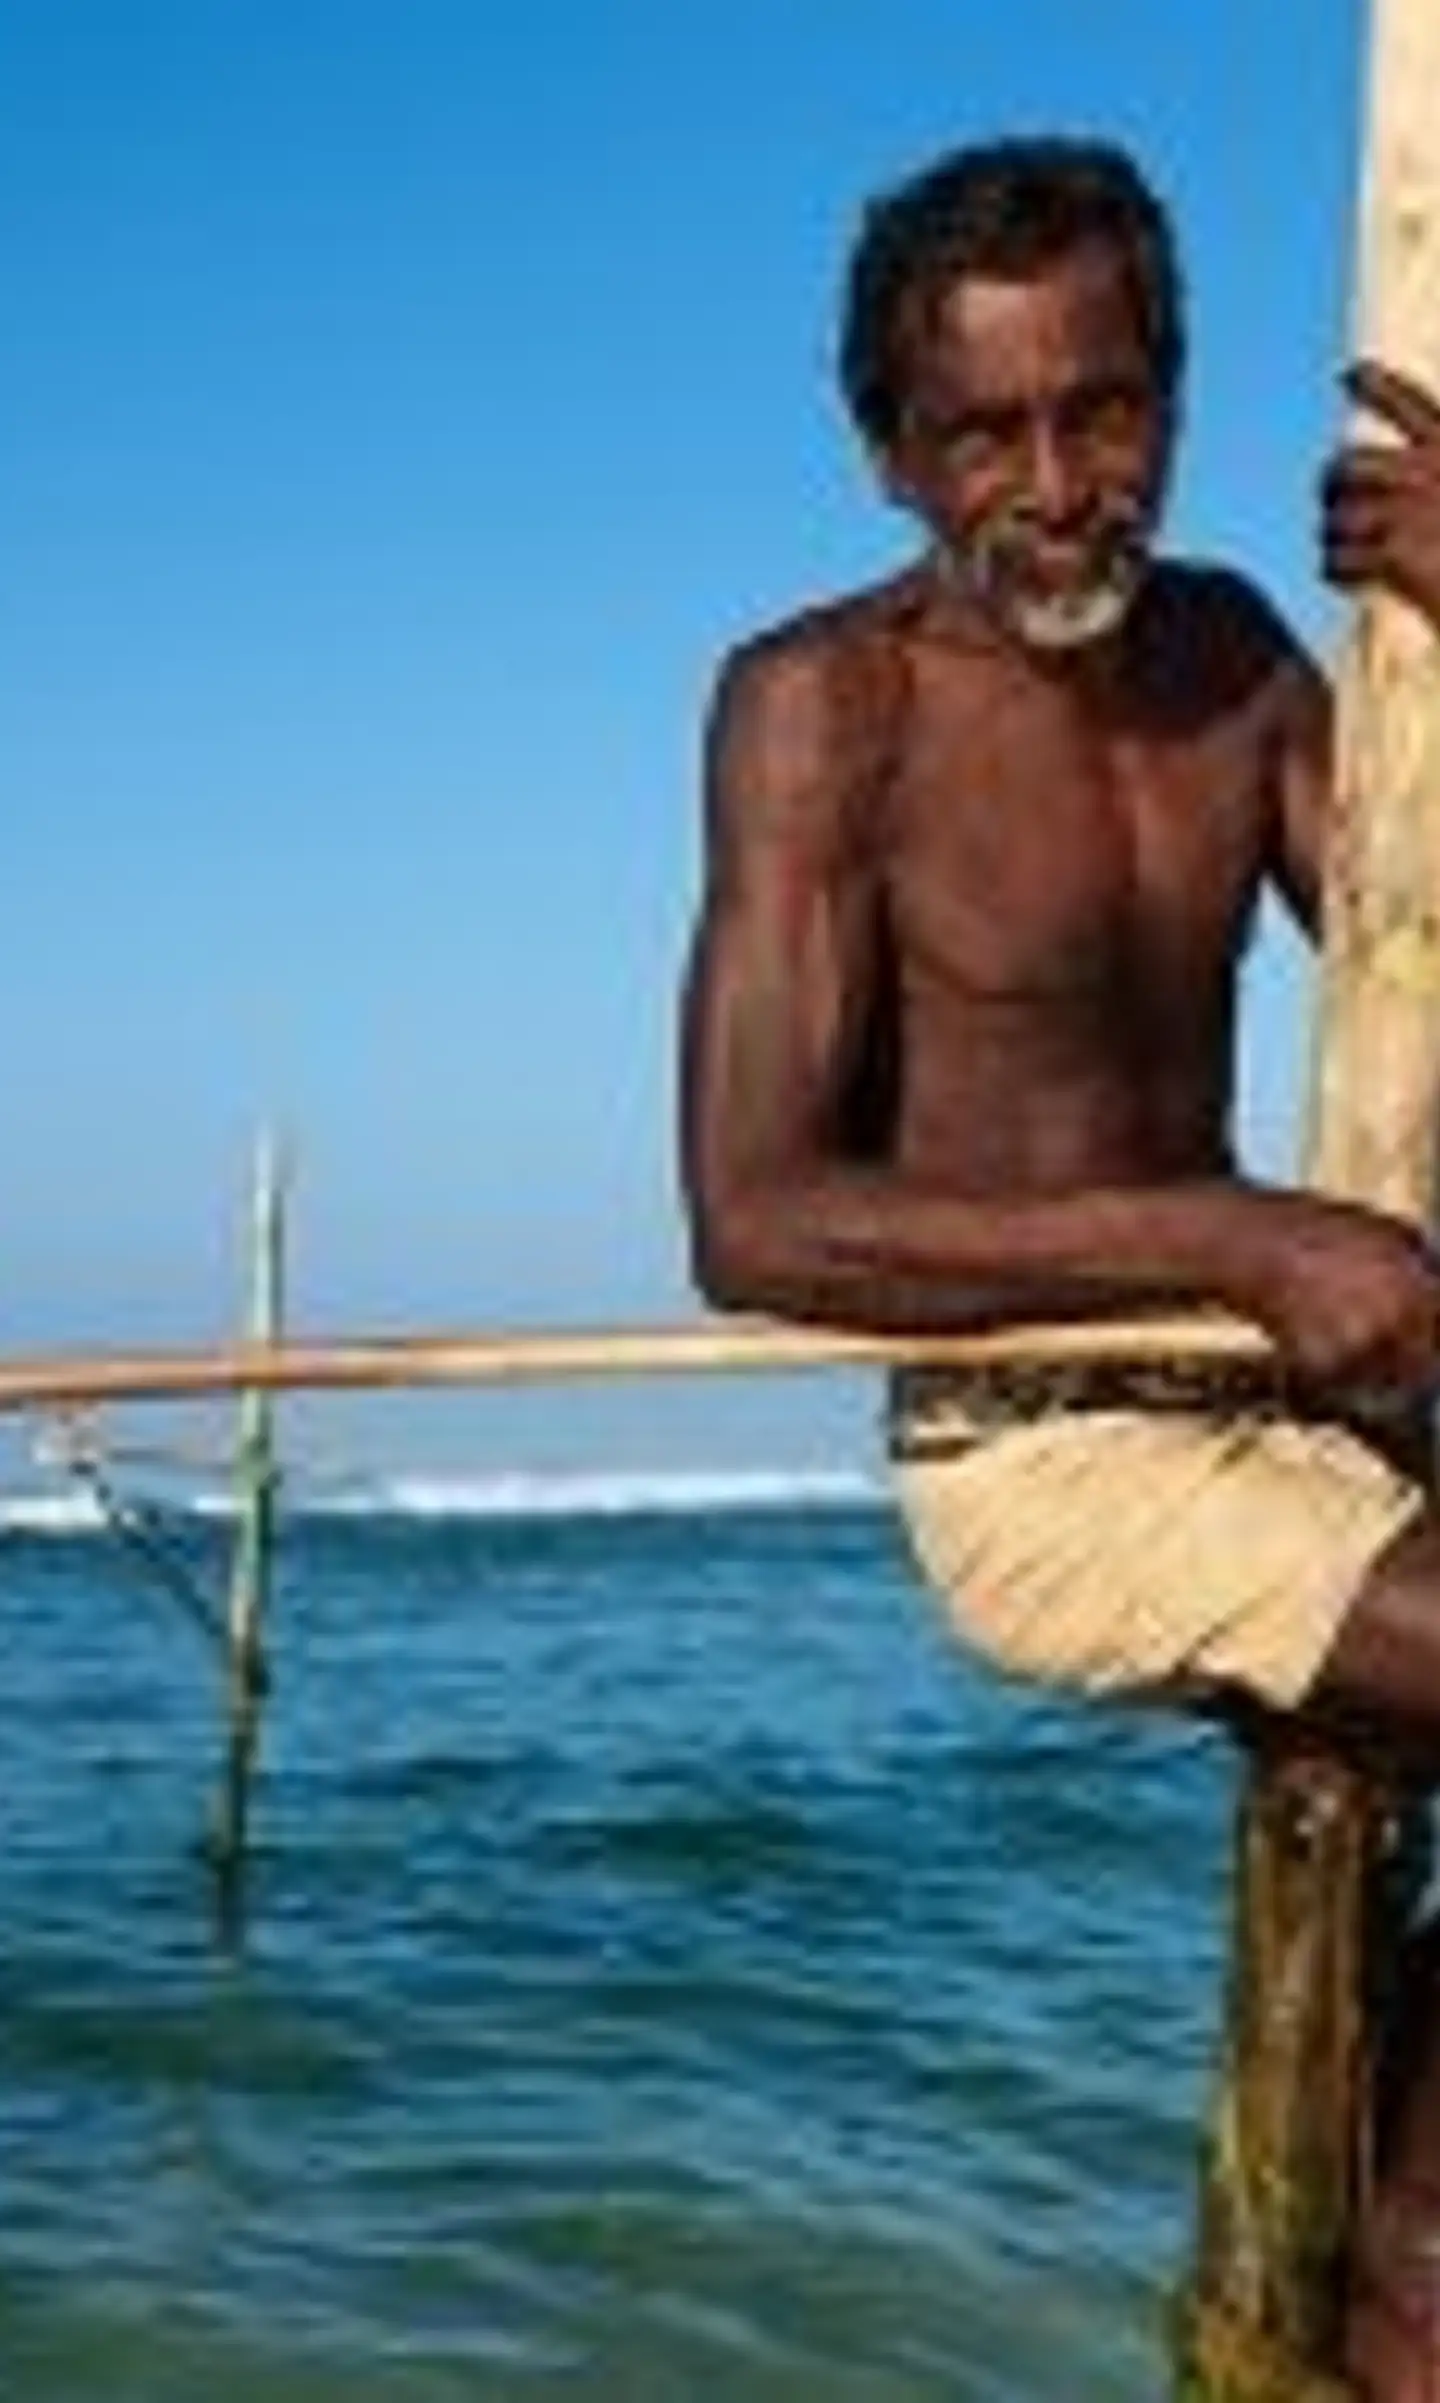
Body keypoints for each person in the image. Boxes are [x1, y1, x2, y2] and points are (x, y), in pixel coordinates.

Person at [676, 135, 1440, 2401]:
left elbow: (1418, 945)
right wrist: (1229, 1233)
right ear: (890, 454)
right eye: (984, 434)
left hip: (1304, 1397)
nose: (1054, 487)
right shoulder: (823, 711)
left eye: (1103, 413)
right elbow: (755, 1216)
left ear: (1173, 399)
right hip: (1049, 1454)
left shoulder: (1235, 659)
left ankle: (1399, 2253)